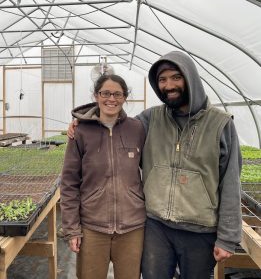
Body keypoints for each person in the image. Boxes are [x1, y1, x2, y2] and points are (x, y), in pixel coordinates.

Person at [67, 51, 242, 279]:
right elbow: (113, 122)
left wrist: (228, 236)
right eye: (162, 79)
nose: (168, 85)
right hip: (156, 228)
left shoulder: (220, 124)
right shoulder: (150, 119)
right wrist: (85, 119)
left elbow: (231, 182)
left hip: (200, 230)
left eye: (176, 77)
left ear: (190, 78)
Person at [60, 74, 146, 279]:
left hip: (132, 226)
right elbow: (69, 182)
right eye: (105, 93)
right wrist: (72, 229)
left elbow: (150, 170)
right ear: (96, 95)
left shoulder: (137, 128)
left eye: (118, 94)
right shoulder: (80, 131)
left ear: (125, 97)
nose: (111, 99)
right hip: (92, 226)